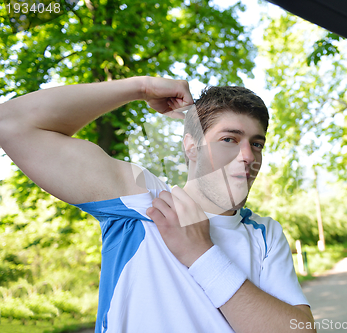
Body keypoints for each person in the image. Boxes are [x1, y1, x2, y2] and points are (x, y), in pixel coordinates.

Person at [0, 76, 315, 332]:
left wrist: (201, 253)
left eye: (256, 144)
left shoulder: (266, 234)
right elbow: (11, 124)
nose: (248, 156)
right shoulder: (141, 198)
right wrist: (140, 88)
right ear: (191, 145)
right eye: (229, 139)